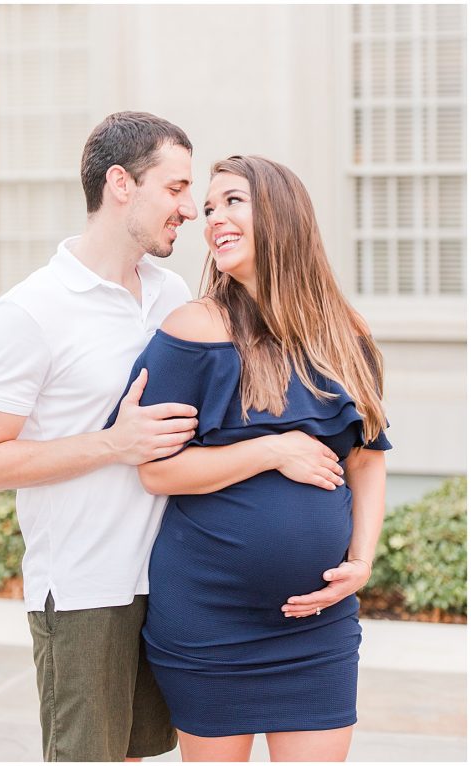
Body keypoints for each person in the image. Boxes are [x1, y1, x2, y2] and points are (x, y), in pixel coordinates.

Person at [0, 113, 338, 762]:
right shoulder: (31, 311)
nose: (191, 210)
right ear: (120, 184)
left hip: (175, 586)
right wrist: (112, 443)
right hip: (88, 589)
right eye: (176, 188)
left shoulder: (176, 300)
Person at [106, 155, 390, 762]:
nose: (213, 219)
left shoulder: (347, 335)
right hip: (209, 624)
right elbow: (157, 469)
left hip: (318, 628)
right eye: (208, 208)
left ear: (283, 216)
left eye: (233, 201)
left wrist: (362, 562)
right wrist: (270, 450)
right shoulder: (193, 331)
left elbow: (367, 460)